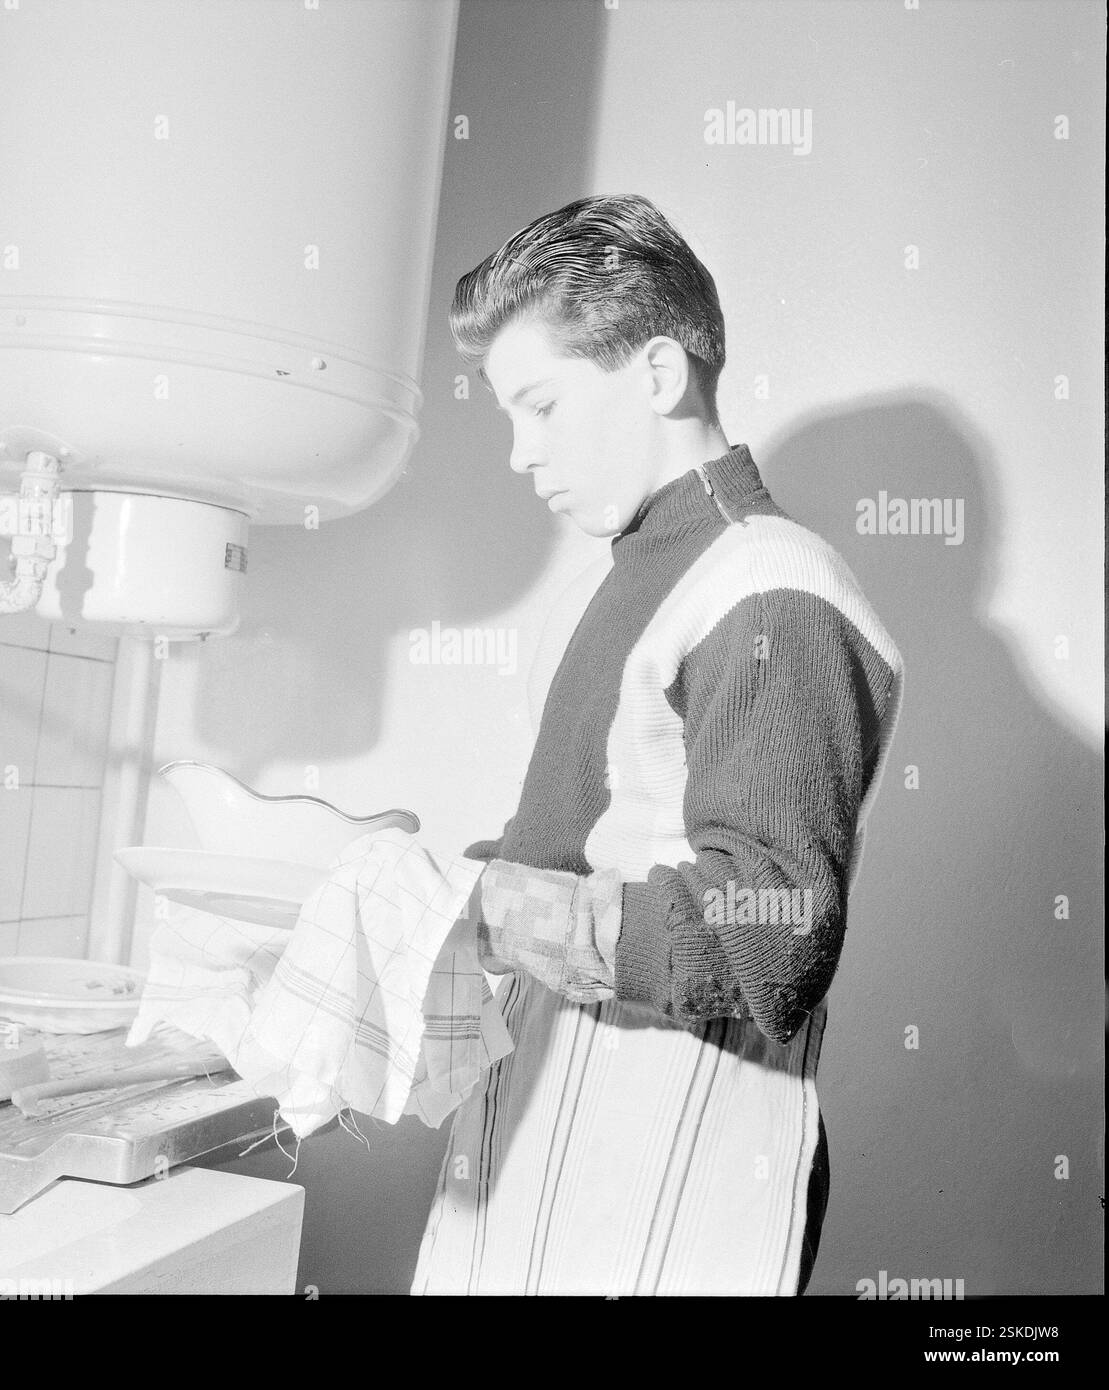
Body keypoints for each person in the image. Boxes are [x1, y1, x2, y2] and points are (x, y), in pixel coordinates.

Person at [411, 193, 904, 1296]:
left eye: (539, 406)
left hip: (674, 1157)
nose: (517, 452)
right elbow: (587, 848)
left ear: (658, 373)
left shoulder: (772, 588)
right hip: (551, 1136)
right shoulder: (632, 577)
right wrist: (426, 897)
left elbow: (777, 922)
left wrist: (494, 907)